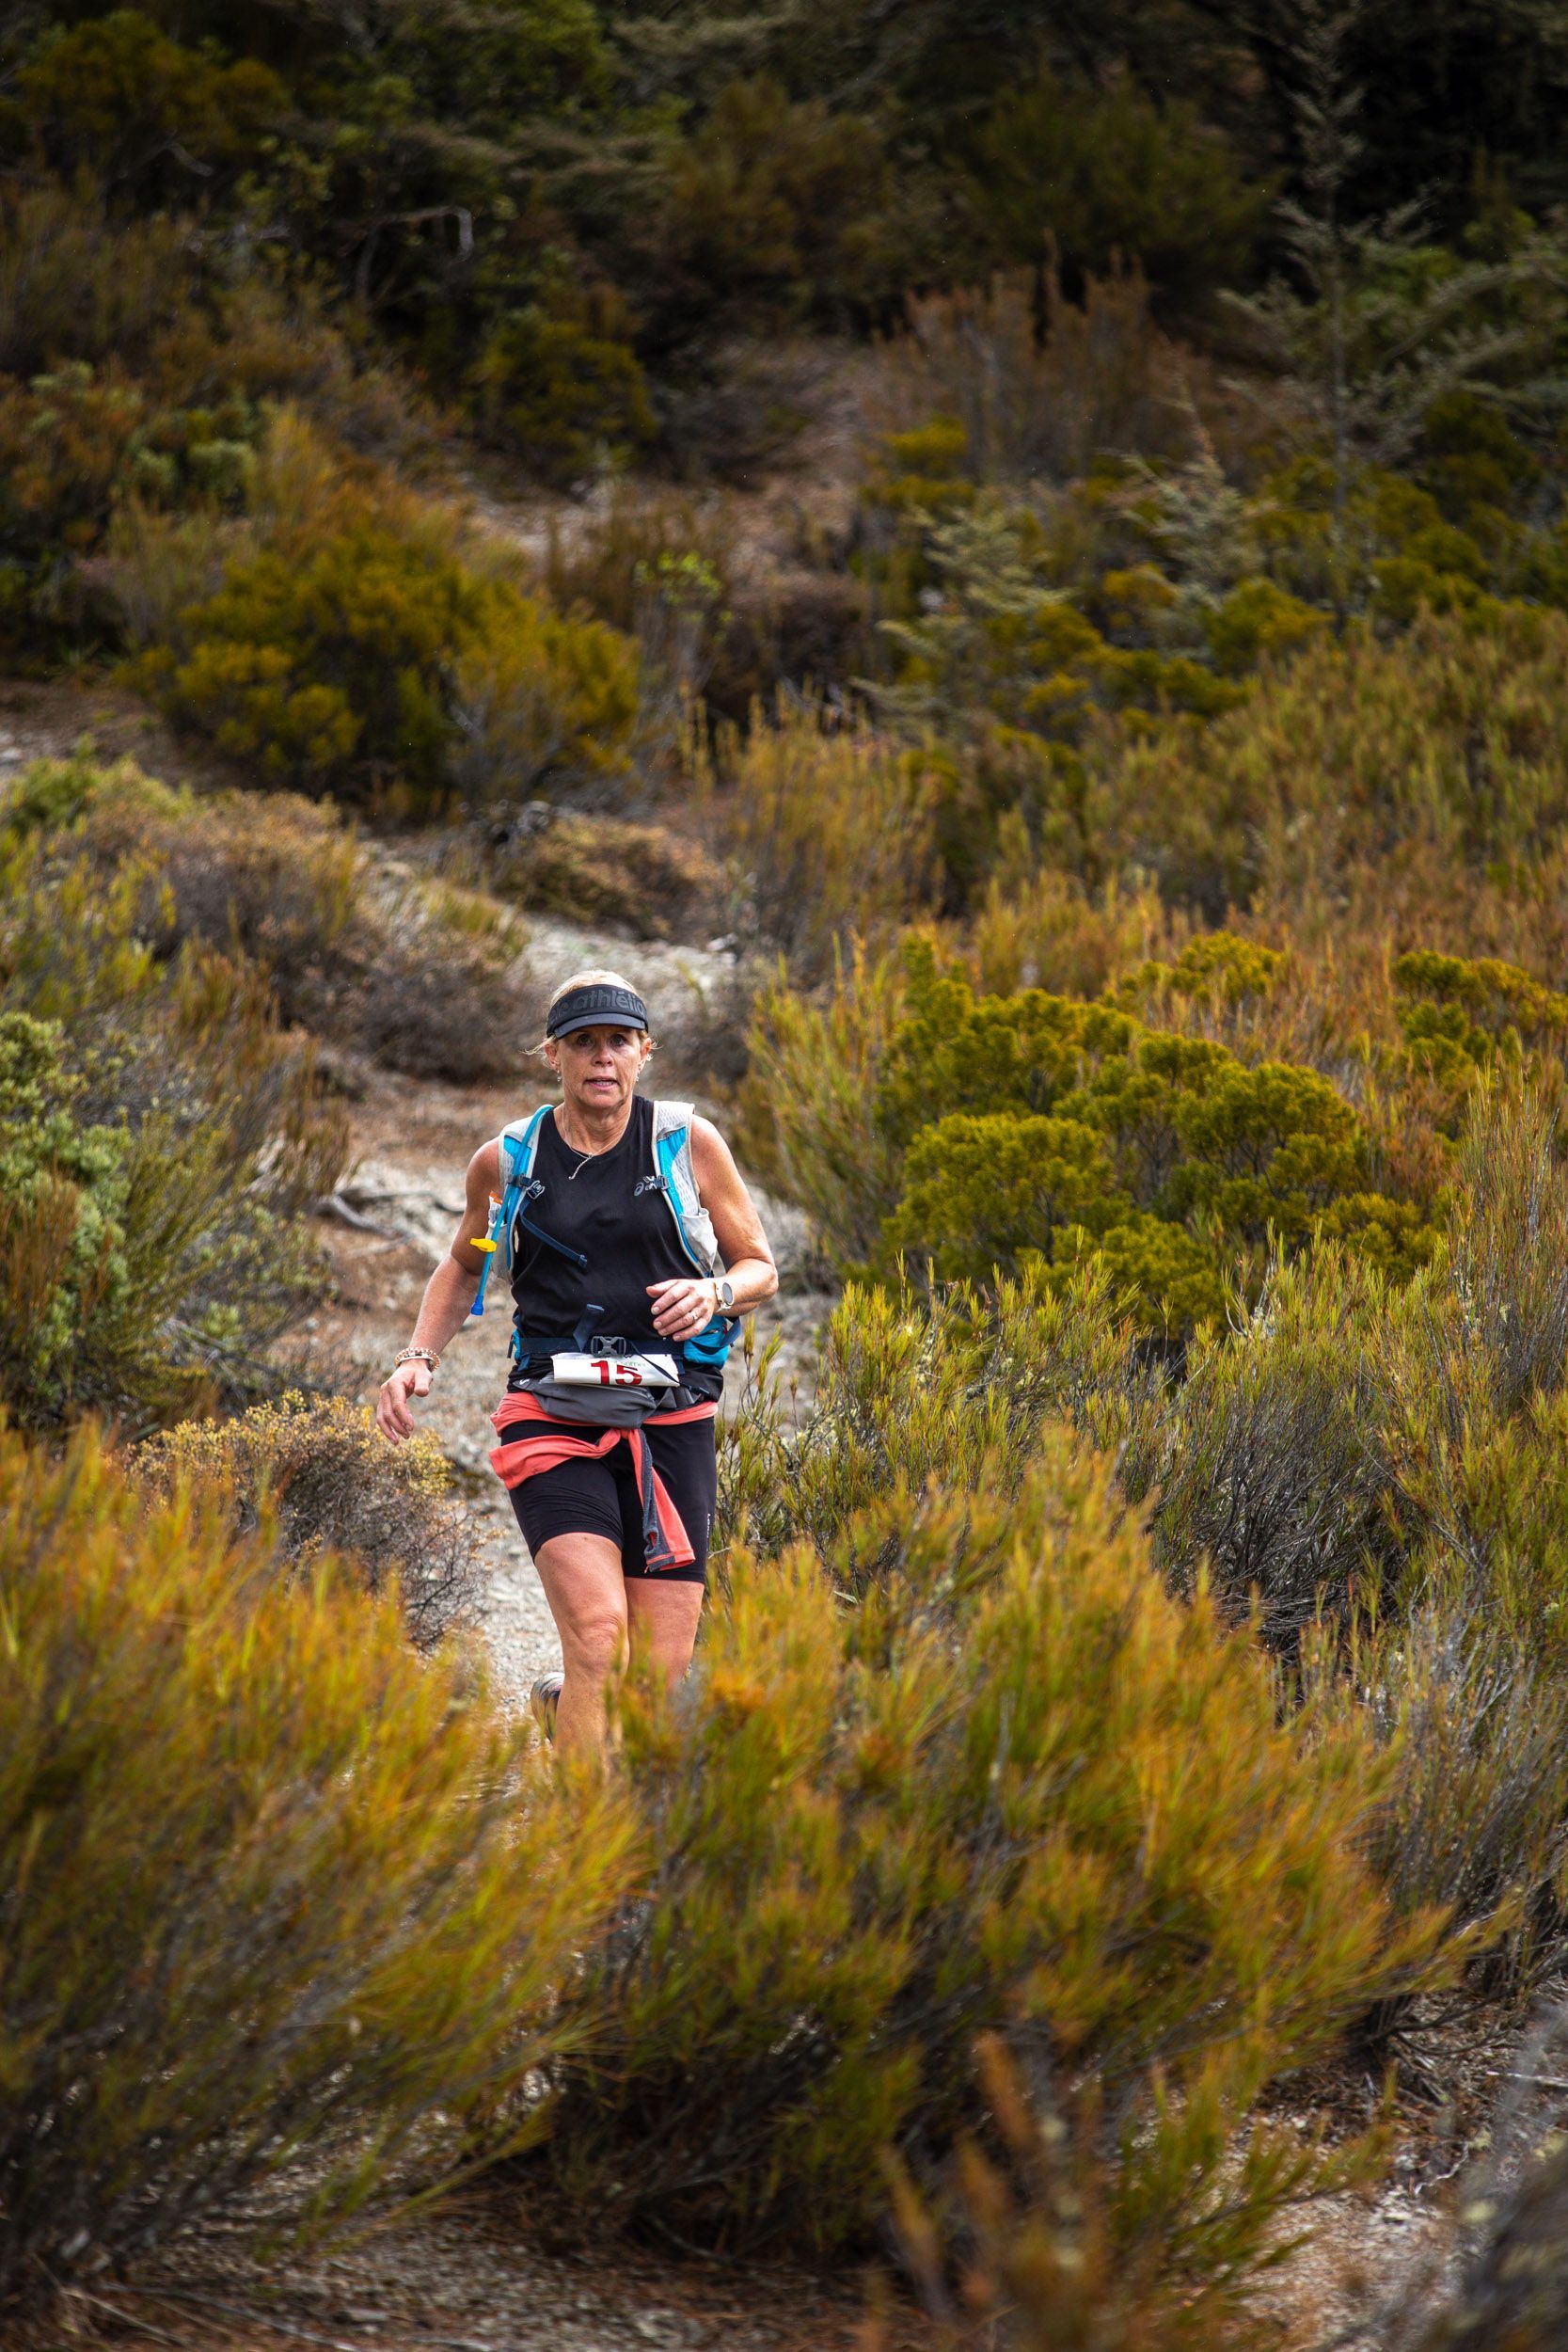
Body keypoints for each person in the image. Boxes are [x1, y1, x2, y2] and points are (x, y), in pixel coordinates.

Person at [375, 968, 778, 1756]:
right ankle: (582, 1825)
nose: (602, 1058)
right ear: (551, 1054)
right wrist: (418, 1355)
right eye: (582, 1042)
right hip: (551, 1412)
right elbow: (464, 1263)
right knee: (597, 1637)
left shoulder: (686, 1143)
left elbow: (758, 1266)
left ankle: (566, 1716)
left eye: (618, 1042)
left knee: (656, 1675)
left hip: (672, 1417)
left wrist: (715, 1292)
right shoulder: (508, 1161)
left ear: (644, 1052)